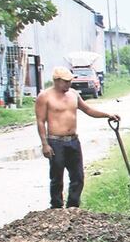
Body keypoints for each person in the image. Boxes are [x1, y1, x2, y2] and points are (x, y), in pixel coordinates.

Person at [35, 66, 119, 209]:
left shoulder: (73, 94)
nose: (69, 84)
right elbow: (40, 121)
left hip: (73, 141)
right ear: (57, 81)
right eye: (66, 82)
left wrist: (107, 115)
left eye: (70, 81)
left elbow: (88, 109)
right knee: (57, 177)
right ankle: (56, 207)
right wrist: (45, 144)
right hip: (56, 141)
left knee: (78, 176)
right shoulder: (45, 96)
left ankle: (73, 207)